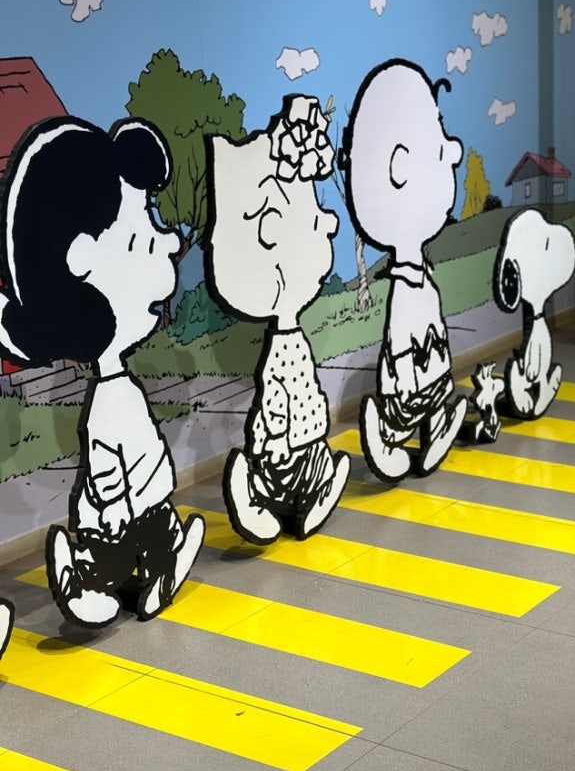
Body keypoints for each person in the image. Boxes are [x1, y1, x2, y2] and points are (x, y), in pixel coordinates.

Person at [0, 116, 204, 628]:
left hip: (141, 502)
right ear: (84, 260)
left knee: (146, 529)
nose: (167, 244)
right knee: (119, 541)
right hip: (119, 512)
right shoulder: (109, 403)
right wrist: (111, 504)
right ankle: (91, 581)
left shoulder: (118, 394)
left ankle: (147, 568)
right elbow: (110, 464)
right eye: (141, 239)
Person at [206, 95, 349, 543]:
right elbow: (280, 398)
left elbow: (298, 398)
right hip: (285, 433)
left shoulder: (291, 340)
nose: (327, 223)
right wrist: (277, 436)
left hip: (300, 431)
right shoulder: (282, 342)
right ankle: (263, 495)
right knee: (281, 416)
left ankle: (310, 490)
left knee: (298, 432)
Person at [342, 59, 468, 482]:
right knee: (407, 397)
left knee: (431, 387)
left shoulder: (421, 278)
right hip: (409, 376)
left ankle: (433, 425)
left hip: (430, 366)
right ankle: (391, 435)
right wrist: (408, 370)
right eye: (438, 139)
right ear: (399, 168)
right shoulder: (406, 287)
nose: (453, 150)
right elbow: (399, 340)